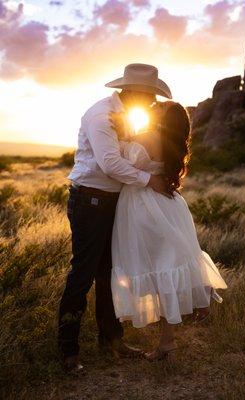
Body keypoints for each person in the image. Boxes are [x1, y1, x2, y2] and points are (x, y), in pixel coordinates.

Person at [58, 63, 173, 371]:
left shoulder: (125, 118)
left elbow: (127, 156)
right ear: (133, 92)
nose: (152, 103)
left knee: (110, 273)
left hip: (114, 202)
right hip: (90, 201)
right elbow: (110, 164)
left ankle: (111, 340)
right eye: (150, 97)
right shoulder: (101, 115)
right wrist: (151, 181)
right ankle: (68, 350)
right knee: (82, 273)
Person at [111, 101, 228, 361]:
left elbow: (117, 166)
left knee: (157, 272)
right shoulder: (170, 141)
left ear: (164, 117)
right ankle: (168, 341)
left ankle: (168, 341)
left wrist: (120, 135)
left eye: (160, 106)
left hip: (144, 208)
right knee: (164, 271)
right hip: (166, 205)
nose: (154, 105)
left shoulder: (149, 136)